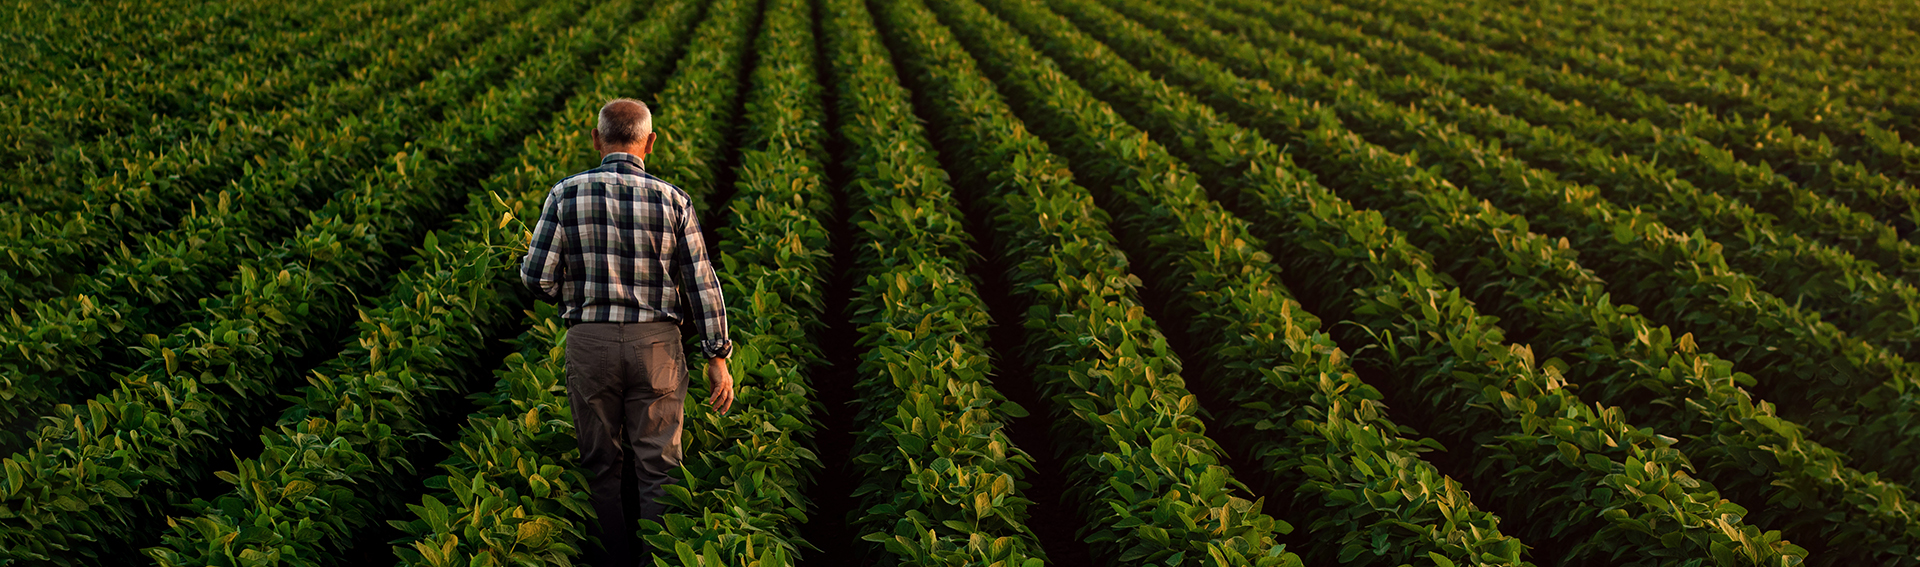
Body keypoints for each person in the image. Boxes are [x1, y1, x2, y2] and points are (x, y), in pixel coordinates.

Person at [520, 98, 736, 566]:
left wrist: (570, 289)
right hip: (656, 345)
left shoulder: (565, 194)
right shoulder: (673, 199)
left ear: (596, 140)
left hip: (590, 339)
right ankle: (656, 559)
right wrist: (717, 357)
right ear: (650, 143)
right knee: (659, 468)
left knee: (600, 465)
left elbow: (536, 277)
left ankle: (611, 557)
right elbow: (701, 281)